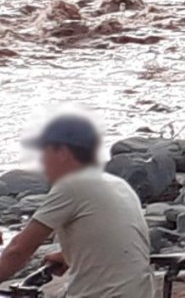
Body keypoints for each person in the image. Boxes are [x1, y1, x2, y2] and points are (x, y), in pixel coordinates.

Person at [0, 115, 157, 297]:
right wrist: (70, 255)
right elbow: (109, 240)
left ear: (62, 153)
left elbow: (19, 249)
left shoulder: (72, 185)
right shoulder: (117, 184)